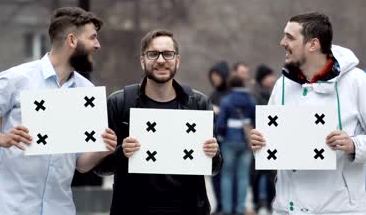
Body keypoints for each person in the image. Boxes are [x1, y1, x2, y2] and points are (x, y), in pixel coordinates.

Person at [0, 7, 117, 215]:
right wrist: (3, 139)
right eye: (92, 38)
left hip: (59, 209)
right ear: (72, 40)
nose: (97, 45)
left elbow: (80, 164)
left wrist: (104, 149)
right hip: (10, 208)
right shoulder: (16, 79)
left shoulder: (87, 91)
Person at [251, 12, 366, 214]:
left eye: (290, 37)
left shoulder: (358, 83)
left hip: (339, 210)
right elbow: (273, 144)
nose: (282, 42)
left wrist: (354, 145)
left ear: (313, 44)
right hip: (286, 209)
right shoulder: (282, 85)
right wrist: (260, 142)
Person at [94, 29, 222, 215]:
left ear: (177, 60)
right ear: (142, 60)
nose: (161, 60)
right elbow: (100, 167)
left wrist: (214, 154)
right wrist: (121, 153)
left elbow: (215, 167)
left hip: (187, 208)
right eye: (153, 54)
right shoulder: (119, 103)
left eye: (168, 54)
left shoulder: (198, 103)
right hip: (133, 209)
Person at [217, 75, 255, 215]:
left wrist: (220, 136)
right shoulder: (251, 100)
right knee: (243, 176)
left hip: (229, 141)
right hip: (245, 141)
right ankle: (240, 209)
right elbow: (255, 120)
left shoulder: (226, 100)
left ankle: (227, 209)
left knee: (226, 175)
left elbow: (221, 123)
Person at [250, 64, 277, 213]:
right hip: (258, 138)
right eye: (269, 76)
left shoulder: (273, 92)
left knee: (270, 174)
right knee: (256, 174)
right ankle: (257, 203)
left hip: (272, 138)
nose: (272, 79)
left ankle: (269, 202)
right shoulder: (255, 95)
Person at [208, 61, 229, 214]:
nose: (214, 79)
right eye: (212, 76)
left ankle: (227, 205)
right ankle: (220, 204)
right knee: (215, 175)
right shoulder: (212, 94)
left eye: (217, 76)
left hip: (228, 139)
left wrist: (220, 111)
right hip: (214, 139)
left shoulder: (230, 93)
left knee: (227, 175)